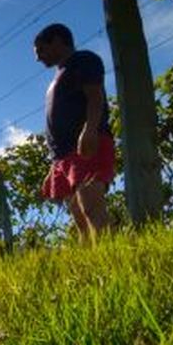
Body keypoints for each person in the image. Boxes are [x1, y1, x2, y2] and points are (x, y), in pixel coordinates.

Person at [34, 23, 115, 241]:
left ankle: (113, 259)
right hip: (64, 156)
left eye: (41, 50)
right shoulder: (57, 78)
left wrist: (90, 130)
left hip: (87, 145)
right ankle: (92, 265)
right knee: (79, 217)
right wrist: (55, 165)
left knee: (91, 208)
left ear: (58, 41)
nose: (38, 57)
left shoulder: (82, 61)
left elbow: (95, 97)